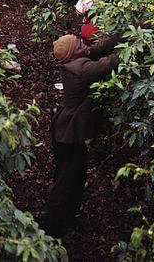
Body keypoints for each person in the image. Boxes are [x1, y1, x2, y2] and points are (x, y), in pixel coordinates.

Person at [41, 30, 124, 236]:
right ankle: (52, 226)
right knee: (67, 180)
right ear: (73, 54)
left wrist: (127, 32)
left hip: (67, 130)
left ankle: (66, 219)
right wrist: (139, 42)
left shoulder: (75, 60)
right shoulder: (81, 69)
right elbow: (111, 62)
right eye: (79, 45)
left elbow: (100, 47)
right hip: (69, 133)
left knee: (74, 176)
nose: (84, 45)